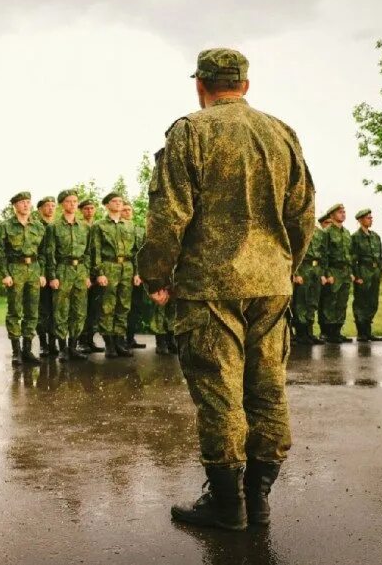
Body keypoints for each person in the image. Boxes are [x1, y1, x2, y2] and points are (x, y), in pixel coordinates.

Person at [138, 48, 315, 531]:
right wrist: (284, 267)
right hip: (271, 285)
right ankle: (258, 499)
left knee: (219, 393)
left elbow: (168, 214)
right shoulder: (281, 133)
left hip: (210, 285)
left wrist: (156, 274)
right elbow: (303, 214)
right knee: (267, 390)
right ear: (246, 85)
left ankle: (226, 503)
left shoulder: (190, 132)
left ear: (201, 85)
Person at [0, 191, 47, 366]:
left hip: (34, 269)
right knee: (15, 311)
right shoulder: (6, 226)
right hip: (15, 269)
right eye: (22, 202)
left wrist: (42, 273)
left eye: (28, 202)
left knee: (32, 311)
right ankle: (16, 351)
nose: (26, 205)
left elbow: (44, 252)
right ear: (15, 206)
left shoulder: (38, 227)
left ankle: (27, 350)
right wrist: (5, 274)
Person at [90, 192, 140, 358]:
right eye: (114, 201)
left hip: (126, 267)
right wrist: (99, 273)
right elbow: (95, 251)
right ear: (107, 205)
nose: (118, 204)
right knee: (107, 306)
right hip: (109, 266)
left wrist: (137, 272)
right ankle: (109, 344)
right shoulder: (99, 225)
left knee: (124, 306)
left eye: (120, 201)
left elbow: (135, 252)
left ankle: (120, 342)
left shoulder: (129, 226)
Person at [45, 189, 91, 361]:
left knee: (79, 311)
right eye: (69, 201)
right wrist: (52, 276)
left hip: (80, 271)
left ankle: (73, 347)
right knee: (61, 311)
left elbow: (87, 253)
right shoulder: (53, 227)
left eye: (75, 201)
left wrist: (86, 274)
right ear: (62, 204)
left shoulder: (85, 227)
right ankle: (63, 348)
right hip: (62, 270)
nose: (72, 204)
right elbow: (50, 254)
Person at [291, 213, 328, 345]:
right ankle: (301, 333)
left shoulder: (320, 233)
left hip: (316, 270)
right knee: (301, 302)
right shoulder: (299, 231)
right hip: (304, 268)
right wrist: (296, 273)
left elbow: (324, 254)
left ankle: (309, 332)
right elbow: (294, 252)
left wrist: (323, 273)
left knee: (313, 302)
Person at [319, 204, 352, 344]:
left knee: (341, 303)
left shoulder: (346, 233)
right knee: (329, 302)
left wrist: (350, 272)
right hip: (333, 271)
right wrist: (327, 273)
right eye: (340, 212)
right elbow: (323, 254)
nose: (343, 214)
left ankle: (337, 332)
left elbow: (349, 254)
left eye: (344, 212)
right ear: (331, 215)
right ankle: (327, 333)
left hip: (345, 272)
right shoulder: (327, 232)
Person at [351, 208, 382, 342]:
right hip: (363, 272)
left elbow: (380, 256)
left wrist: (380, 271)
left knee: (373, 302)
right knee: (361, 303)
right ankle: (361, 333)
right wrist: (357, 276)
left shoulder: (376, 236)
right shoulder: (355, 237)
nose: (371, 219)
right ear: (360, 220)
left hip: (374, 273)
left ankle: (368, 332)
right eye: (368, 218)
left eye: (371, 217)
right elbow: (353, 259)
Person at [77, 198, 104, 354]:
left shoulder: (98, 226)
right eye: (86, 208)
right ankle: (81, 340)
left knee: (94, 309)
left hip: (97, 271)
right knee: (82, 308)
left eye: (92, 208)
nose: (89, 211)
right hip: (84, 271)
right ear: (81, 210)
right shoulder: (80, 227)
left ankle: (90, 340)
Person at [122, 202, 148, 350]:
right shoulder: (118, 230)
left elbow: (141, 254)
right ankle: (119, 341)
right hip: (122, 272)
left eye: (129, 210)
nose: (127, 212)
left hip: (136, 274)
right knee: (121, 308)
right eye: (124, 210)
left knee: (135, 307)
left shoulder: (139, 230)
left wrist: (139, 273)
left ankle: (130, 338)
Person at [34, 196, 57, 358]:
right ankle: (43, 343)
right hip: (42, 273)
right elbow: (37, 253)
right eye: (47, 206)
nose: (50, 208)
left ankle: (53, 343)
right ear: (40, 209)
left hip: (58, 272)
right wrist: (41, 273)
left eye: (53, 206)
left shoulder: (58, 226)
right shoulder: (35, 227)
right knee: (43, 310)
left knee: (56, 310)